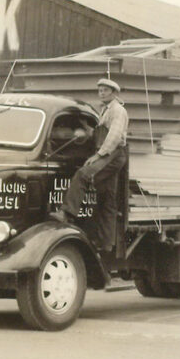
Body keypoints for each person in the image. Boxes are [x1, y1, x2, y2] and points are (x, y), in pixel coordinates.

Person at [48, 78, 129, 254]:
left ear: (114, 93)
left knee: (83, 175)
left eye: (105, 90)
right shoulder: (105, 111)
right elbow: (101, 133)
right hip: (110, 153)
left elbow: (114, 136)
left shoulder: (117, 111)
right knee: (107, 199)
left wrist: (99, 155)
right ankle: (107, 244)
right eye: (99, 90)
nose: (101, 93)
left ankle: (67, 213)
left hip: (112, 153)